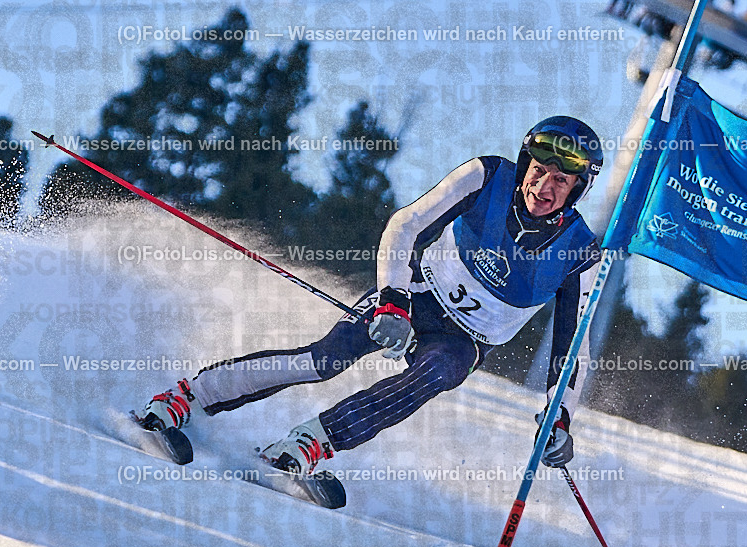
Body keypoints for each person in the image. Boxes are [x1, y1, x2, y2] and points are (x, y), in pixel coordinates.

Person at [135, 116, 605, 476]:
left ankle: (311, 443)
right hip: (418, 293)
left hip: (465, 339)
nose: (544, 188)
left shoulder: (580, 251)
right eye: (540, 171)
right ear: (526, 164)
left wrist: (559, 416)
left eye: (561, 181)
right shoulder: (486, 176)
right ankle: (185, 398)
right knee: (326, 359)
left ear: (576, 190)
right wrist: (393, 299)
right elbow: (405, 225)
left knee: (438, 371)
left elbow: (572, 346)